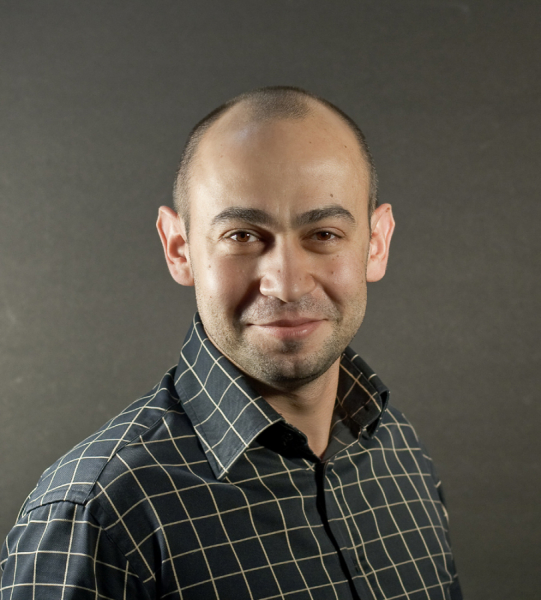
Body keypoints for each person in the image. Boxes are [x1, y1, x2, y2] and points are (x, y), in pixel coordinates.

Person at [0, 86, 462, 600]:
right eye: (242, 236)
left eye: (325, 234)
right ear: (179, 249)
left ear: (376, 244)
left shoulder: (401, 452)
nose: (287, 284)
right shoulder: (100, 516)